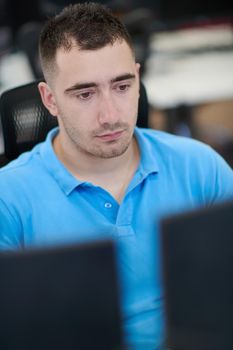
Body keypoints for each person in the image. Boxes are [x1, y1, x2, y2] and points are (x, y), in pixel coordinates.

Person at [0, 2, 233, 349]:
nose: (110, 115)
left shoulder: (200, 167)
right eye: (85, 93)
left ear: (138, 80)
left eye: (122, 87)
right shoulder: (9, 198)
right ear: (49, 100)